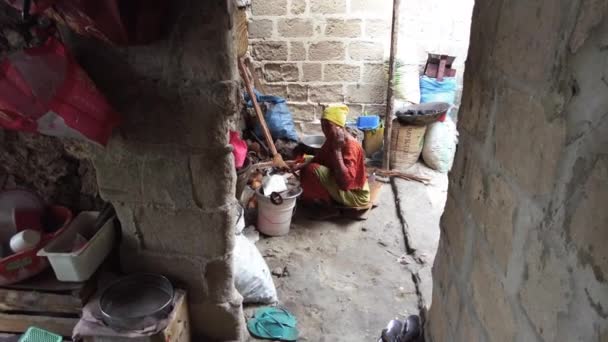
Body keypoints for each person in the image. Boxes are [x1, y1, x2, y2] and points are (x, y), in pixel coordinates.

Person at [294, 104, 370, 208]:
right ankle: (322, 197)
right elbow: (319, 158)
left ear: (340, 127)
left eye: (328, 126)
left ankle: (327, 205)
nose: (324, 130)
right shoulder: (332, 138)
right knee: (307, 161)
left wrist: (337, 150)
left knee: (311, 170)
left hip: (354, 195)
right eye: (322, 125)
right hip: (340, 181)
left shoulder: (351, 146)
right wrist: (299, 166)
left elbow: (345, 183)